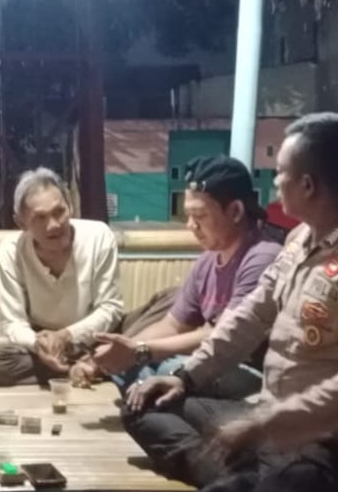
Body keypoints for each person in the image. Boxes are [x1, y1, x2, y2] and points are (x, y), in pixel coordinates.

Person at [123, 112, 338, 492]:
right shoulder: (299, 241)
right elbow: (251, 315)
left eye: (279, 173)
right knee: (145, 403)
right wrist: (185, 378)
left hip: (331, 448)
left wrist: (265, 423)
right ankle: (240, 477)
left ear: (307, 185)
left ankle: (241, 479)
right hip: (270, 425)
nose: (274, 183)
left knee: (265, 477)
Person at [89, 157, 280, 396]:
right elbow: (174, 325)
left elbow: (225, 337)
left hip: (247, 370)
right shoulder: (208, 260)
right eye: (187, 215)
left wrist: (140, 351)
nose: (190, 225)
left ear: (235, 211)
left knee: (165, 370)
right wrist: (124, 352)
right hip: (206, 362)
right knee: (130, 367)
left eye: (199, 215)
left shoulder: (263, 258)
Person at [0, 167, 123, 386]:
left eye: (59, 212)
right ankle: (83, 368)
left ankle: (90, 364)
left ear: (70, 205)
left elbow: (110, 308)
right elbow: (13, 322)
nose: (54, 225)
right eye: (40, 217)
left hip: (95, 337)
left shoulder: (99, 236)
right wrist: (39, 345)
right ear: (21, 223)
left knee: (157, 311)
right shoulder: (10, 251)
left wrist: (67, 336)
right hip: (43, 345)